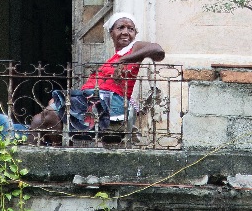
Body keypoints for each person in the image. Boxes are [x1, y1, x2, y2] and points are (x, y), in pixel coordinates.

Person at [30, 13, 165, 144]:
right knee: (40, 118)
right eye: (120, 28)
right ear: (111, 32)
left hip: (109, 103)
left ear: (135, 34)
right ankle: (56, 149)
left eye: (131, 29)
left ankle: (59, 149)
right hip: (91, 99)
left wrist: (123, 60)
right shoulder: (113, 58)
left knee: (49, 114)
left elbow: (158, 50)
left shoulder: (134, 48)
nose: (126, 32)